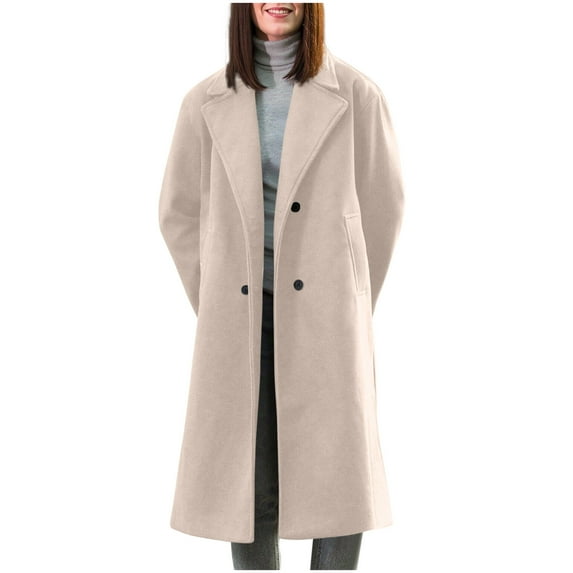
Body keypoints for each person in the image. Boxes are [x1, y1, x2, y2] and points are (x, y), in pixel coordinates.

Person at [158, 2, 404, 570]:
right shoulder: (203, 102)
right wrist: (219, 300)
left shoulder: (358, 96)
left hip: (326, 318)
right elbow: (179, 213)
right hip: (241, 317)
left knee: (337, 481)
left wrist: (345, 297)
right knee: (247, 483)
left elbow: (382, 209)